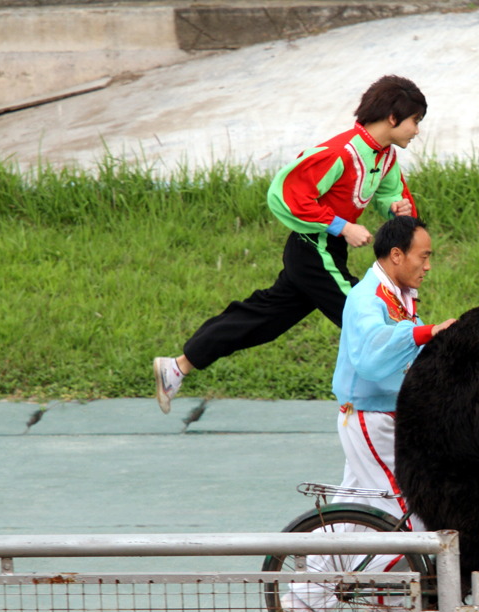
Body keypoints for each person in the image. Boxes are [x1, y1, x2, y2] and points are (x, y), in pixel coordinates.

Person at [152, 75, 427, 413]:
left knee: (264, 319)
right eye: (415, 121)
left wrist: (394, 209)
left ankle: (176, 367)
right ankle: (423, 387)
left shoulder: (384, 158)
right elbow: (288, 194)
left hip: (322, 251)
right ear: (392, 118)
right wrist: (342, 227)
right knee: (366, 311)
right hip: (314, 249)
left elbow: (390, 195)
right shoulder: (340, 153)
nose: (417, 130)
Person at [280, 215, 455, 612]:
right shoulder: (367, 298)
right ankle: (383, 596)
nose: (428, 265)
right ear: (397, 255)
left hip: (379, 414)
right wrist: (428, 333)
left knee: (349, 520)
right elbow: (375, 355)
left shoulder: (397, 290)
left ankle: (304, 600)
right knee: (404, 513)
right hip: (371, 418)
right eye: (424, 256)